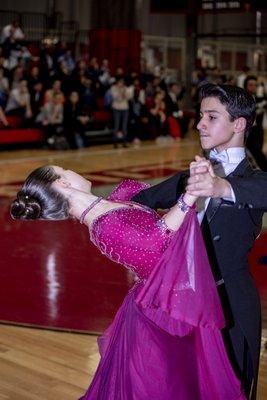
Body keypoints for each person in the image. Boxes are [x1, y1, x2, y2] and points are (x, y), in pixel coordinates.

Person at [11, 166, 246, 399]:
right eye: (63, 169)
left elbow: (156, 202)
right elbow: (157, 241)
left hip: (174, 300)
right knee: (173, 386)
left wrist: (195, 179)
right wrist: (189, 197)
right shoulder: (103, 226)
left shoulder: (115, 201)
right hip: (165, 313)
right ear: (62, 183)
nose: (72, 170)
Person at [132, 83, 267, 399]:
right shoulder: (188, 178)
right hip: (182, 307)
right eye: (201, 115)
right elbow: (140, 200)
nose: (199, 124)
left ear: (239, 124)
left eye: (211, 116)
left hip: (230, 307)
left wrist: (219, 187)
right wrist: (77, 201)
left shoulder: (254, 180)